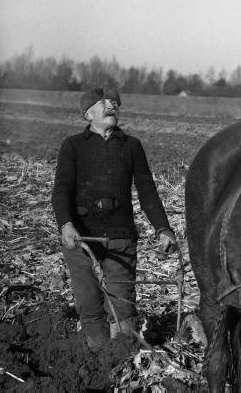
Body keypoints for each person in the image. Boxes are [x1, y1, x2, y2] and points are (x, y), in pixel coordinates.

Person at [51, 87, 177, 350]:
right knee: (89, 304)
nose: (112, 105)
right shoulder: (73, 146)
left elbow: (147, 191)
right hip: (82, 239)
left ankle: (121, 361)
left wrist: (162, 228)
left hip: (121, 239)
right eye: (104, 102)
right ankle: (97, 357)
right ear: (88, 113)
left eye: (115, 102)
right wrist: (66, 225)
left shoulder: (131, 146)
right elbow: (61, 190)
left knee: (122, 306)